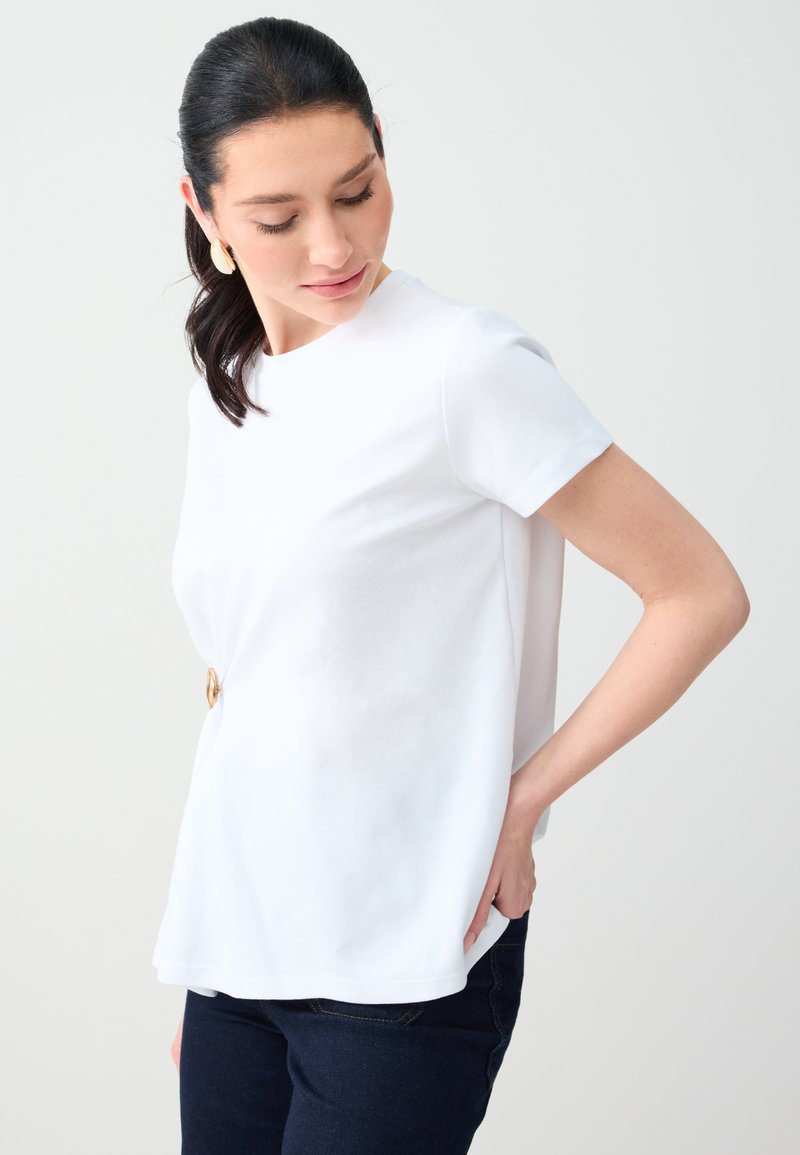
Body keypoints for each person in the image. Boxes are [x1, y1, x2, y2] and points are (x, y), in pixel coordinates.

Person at [152, 16, 750, 1155]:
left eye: (357, 190)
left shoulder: (462, 367)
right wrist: (211, 948)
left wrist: (520, 804)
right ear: (204, 211)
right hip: (239, 948)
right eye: (278, 218)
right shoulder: (229, 384)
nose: (333, 244)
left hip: (403, 952)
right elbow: (246, 677)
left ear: (383, 150)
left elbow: (699, 593)